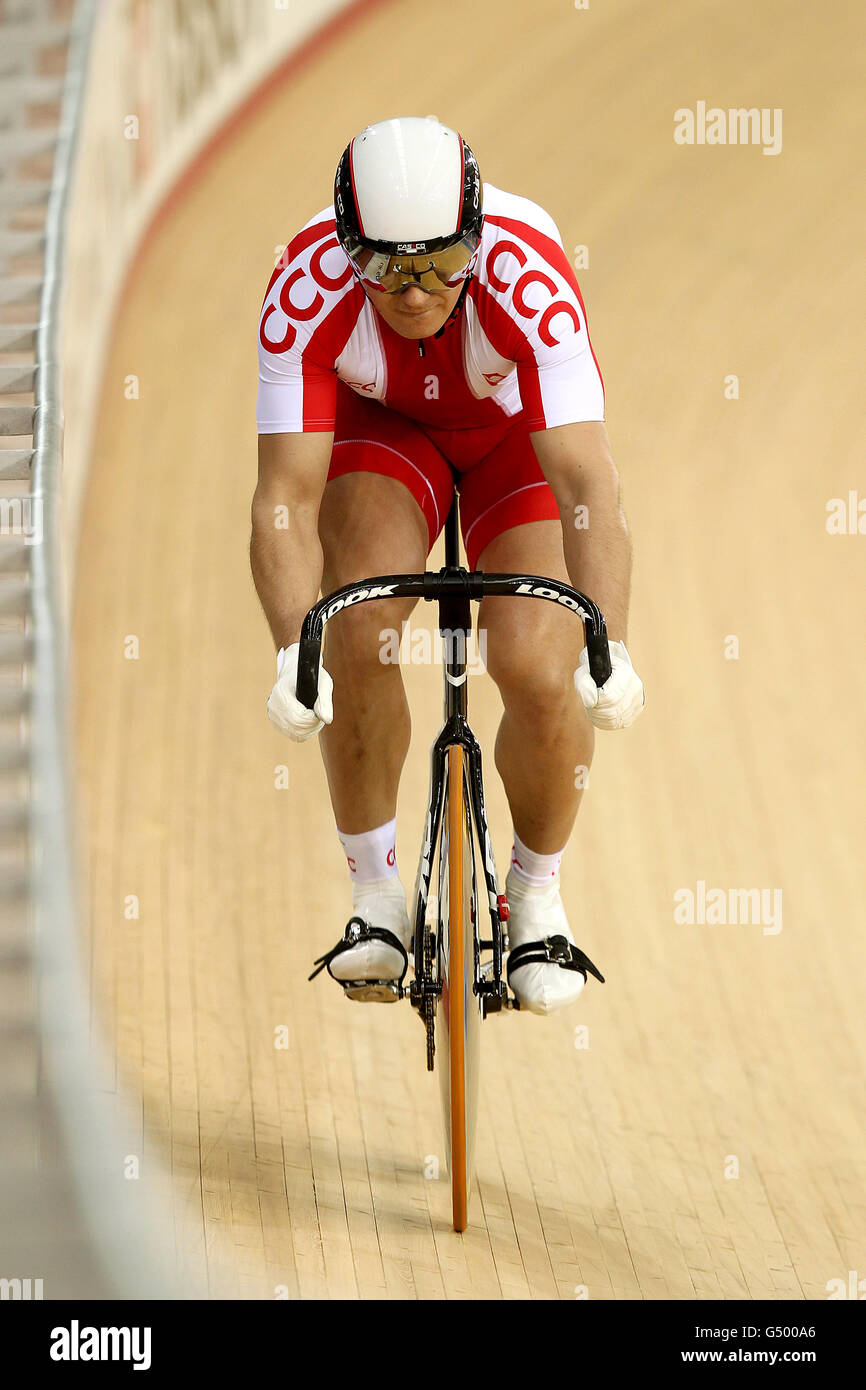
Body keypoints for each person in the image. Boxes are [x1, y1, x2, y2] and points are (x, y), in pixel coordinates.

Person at [251, 116, 644, 1015]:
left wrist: (608, 642)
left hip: (516, 442)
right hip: (388, 434)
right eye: (388, 267)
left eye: (442, 261)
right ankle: (376, 900)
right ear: (347, 247)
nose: (417, 291)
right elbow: (283, 500)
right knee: (351, 629)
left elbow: (586, 482)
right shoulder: (303, 287)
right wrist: (290, 650)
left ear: (479, 235)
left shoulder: (528, 280)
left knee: (542, 665)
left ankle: (536, 898)